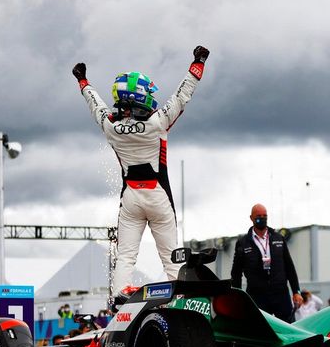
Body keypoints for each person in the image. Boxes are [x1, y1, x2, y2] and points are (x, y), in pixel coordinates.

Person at [71, 46, 210, 295]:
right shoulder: (158, 122)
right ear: (139, 98)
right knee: (170, 257)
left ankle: (119, 299)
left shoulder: (110, 127)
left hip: (130, 199)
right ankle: (179, 296)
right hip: (159, 197)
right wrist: (197, 63)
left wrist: (83, 81)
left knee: (125, 256)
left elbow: (95, 105)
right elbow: (182, 96)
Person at [230, 204, 303, 322]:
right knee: (260, 331)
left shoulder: (278, 238)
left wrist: (296, 291)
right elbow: (236, 273)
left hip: (280, 293)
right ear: (251, 218)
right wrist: (237, 296)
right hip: (257, 296)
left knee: (289, 328)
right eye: (259, 216)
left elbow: (289, 267)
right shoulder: (243, 243)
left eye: (265, 216)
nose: (262, 219)